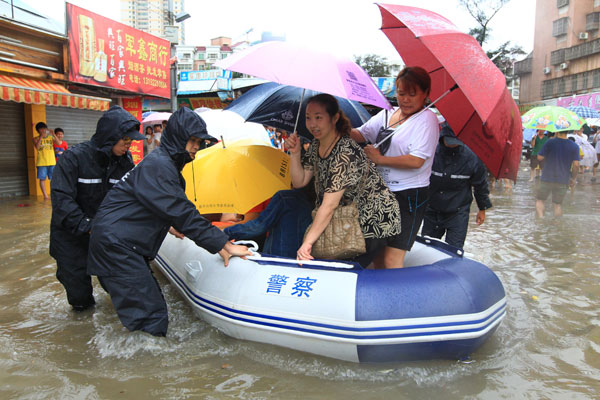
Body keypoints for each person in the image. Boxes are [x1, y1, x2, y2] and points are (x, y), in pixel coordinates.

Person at [87, 107, 252, 337]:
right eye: (192, 140)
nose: (196, 146)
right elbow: (182, 211)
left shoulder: (164, 164)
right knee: (152, 318)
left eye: (199, 141)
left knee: (145, 311)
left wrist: (169, 224)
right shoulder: (160, 165)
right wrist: (223, 244)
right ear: (177, 138)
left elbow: (159, 205)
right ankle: (146, 369)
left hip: (117, 243)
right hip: (117, 247)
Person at [287, 94, 402, 268]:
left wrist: (307, 243)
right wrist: (295, 153)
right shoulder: (316, 145)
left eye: (319, 118)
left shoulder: (345, 153)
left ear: (334, 118)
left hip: (373, 218)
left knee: (348, 270)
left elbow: (329, 205)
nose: (312, 124)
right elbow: (300, 181)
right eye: (308, 118)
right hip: (347, 215)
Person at [50, 105, 144, 311]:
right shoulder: (73, 158)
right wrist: (88, 225)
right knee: (79, 296)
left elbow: (134, 198)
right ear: (110, 136)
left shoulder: (125, 163)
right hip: (70, 235)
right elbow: (61, 200)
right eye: (126, 139)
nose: (129, 145)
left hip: (103, 234)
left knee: (118, 285)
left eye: (131, 140)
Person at [350, 66, 439, 268]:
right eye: (401, 93)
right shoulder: (387, 113)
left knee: (392, 257)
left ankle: (395, 298)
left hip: (409, 195)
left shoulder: (427, 120)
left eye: (412, 94)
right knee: (377, 255)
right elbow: (362, 134)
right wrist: (337, 124)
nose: (405, 99)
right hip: (381, 192)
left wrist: (379, 159)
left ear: (425, 95)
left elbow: (417, 160)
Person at [422, 124, 492, 249]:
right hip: (432, 209)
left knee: (454, 251)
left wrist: (482, 208)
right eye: (449, 141)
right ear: (442, 137)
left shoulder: (472, 158)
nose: (452, 145)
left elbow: (480, 185)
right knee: (426, 248)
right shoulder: (430, 153)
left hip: (458, 212)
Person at [223, 188, 314, 258]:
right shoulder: (316, 201)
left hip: (277, 255)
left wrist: (225, 233)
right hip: (304, 256)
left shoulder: (284, 198)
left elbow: (258, 227)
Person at [535, 130, 581, 217]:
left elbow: (539, 157)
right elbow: (576, 165)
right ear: (567, 131)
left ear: (557, 131)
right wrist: (573, 179)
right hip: (563, 179)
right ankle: (557, 225)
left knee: (540, 200)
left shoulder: (550, 142)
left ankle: (540, 220)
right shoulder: (574, 146)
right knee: (557, 205)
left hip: (547, 178)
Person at [33, 122, 59, 200]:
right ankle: (45, 195)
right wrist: (41, 137)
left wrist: (53, 134)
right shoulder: (35, 138)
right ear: (38, 130)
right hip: (41, 162)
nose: (43, 130)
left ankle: (53, 193)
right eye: (41, 129)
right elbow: (37, 147)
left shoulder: (50, 137)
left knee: (53, 179)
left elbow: (58, 143)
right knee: (42, 179)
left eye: (44, 128)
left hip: (51, 161)